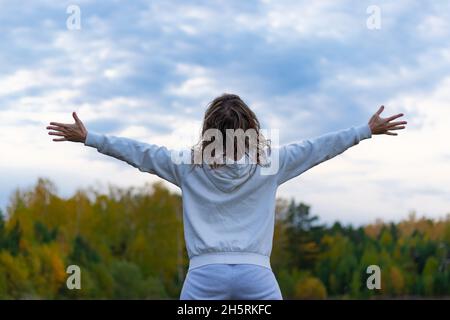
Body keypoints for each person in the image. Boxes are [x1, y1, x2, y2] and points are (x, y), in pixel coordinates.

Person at [46, 93, 407, 299]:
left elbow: (140, 153)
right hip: (257, 274)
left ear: (208, 131)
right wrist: (364, 130)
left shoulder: (188, 165)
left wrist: (91, 138)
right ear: (252, 129)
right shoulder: (270, 163)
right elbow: (318, 148)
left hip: (204, 275)